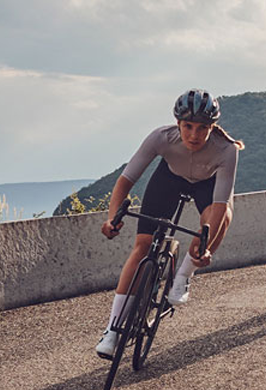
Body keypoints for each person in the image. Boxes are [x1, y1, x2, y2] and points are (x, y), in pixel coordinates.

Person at [94, 89, 243, 360]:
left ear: (213, 127)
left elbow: (220, 207)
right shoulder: (161, 138)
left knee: (222, 218)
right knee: (142, 246)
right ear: (178, 124)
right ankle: (112, 331)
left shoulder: (227, 151)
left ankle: (184, 274)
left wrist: (205, 247)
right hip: (170, 178)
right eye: (188, 126)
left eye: (202, 128)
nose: (194, 135)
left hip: (207, 185)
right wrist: (112, 217)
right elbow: (125, 181)